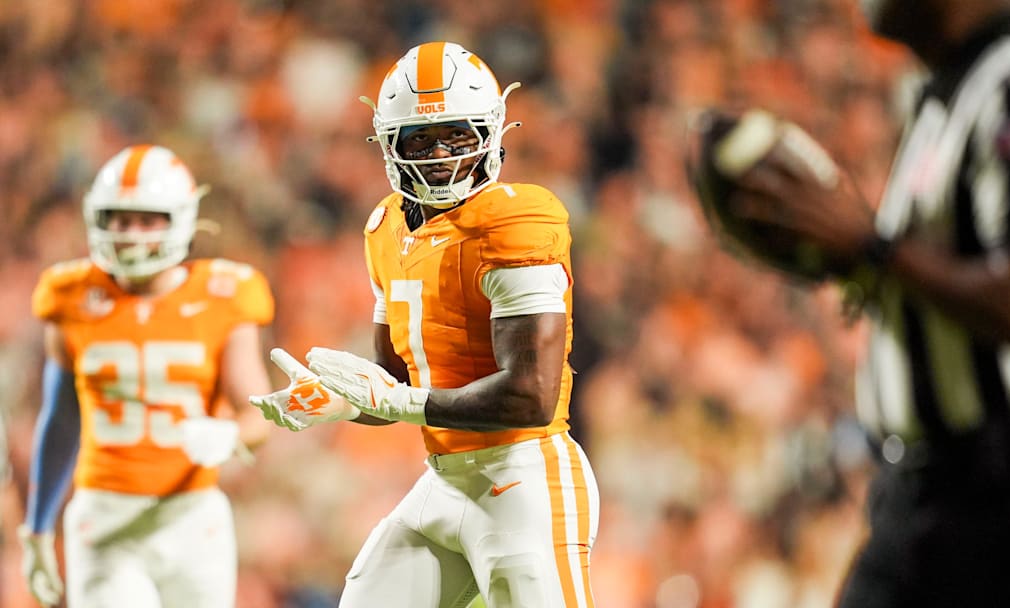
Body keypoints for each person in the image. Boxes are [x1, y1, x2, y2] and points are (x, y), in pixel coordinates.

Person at [696, 1, 1010, 606]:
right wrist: (839, 252)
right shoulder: (950, 93)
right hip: (934, 491)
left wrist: (871, 247)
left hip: (1007, 500)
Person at [250, 41, 600, 608]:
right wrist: (340, 401)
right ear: (389, 145)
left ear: (491, 133)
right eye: (419, 139)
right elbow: (393, 379)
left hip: (525, 478)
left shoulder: (516, 220)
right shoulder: (385, 227)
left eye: (456, 135)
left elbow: (531, 395)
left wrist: (399, 402)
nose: (439, 153)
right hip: (445, 479)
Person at [19, 144, 275, 608]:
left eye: (145, 220)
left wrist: (230, 435)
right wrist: (37, 526)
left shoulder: (225, 294)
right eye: (118, 220)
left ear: (181, 221)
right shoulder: (70, 294)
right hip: (105, 516)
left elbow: (258, 414)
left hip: (192, 516)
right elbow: (60, 420)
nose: (130, 234)